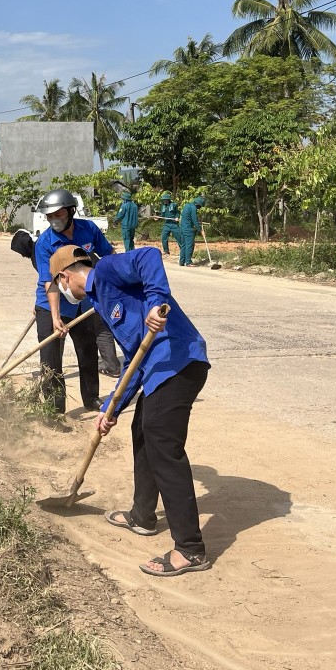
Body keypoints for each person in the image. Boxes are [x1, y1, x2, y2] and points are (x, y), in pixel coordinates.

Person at [48, 244, 212, 577]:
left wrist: (155, 304)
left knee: (163, 445)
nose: (62, 292)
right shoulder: (101, 302)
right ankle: (143, 515)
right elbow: (134, 361)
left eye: (58, 285)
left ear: (65, 276)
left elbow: (149, 256)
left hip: (179, 362)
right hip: (156, 369)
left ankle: (190, 550)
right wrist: (111, 408)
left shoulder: (106, 271)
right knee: (142, 430)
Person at [32, 188, 120, 413]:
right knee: (51, 359)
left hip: (84, 302)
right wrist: (54, 317)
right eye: (49, 216)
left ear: (71, 211)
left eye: (58, 215)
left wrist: (117, 276)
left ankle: (91, 399)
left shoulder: (88, 229)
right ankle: (54, 408)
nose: (54, 220)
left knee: (87, 351)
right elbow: (49, 282)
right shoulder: (44, 243)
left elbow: (108, 254)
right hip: (52, 304)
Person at [178, 195, 205, 267]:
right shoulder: (193, 208)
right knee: (189, 245)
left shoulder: (187, 205)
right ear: (198, 204)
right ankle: (188, 262)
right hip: (188, 229)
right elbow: (194, 220)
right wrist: (200, 230)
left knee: (183, 245)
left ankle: (181, 261)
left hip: (182, 228)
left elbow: (188, 217)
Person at [157, 191, 181, 256]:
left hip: (174, 224)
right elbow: (162, 215)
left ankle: (183, 251)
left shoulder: (174, 205)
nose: (164, 201)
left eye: (165, 200)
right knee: (164, 237)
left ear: (168, 199)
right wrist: (158, 217)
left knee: (179, 237)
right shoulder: (163, 206)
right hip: (167, 224)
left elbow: (177, 213)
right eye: (163, 200)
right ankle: (166, 251)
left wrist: (177, 217)